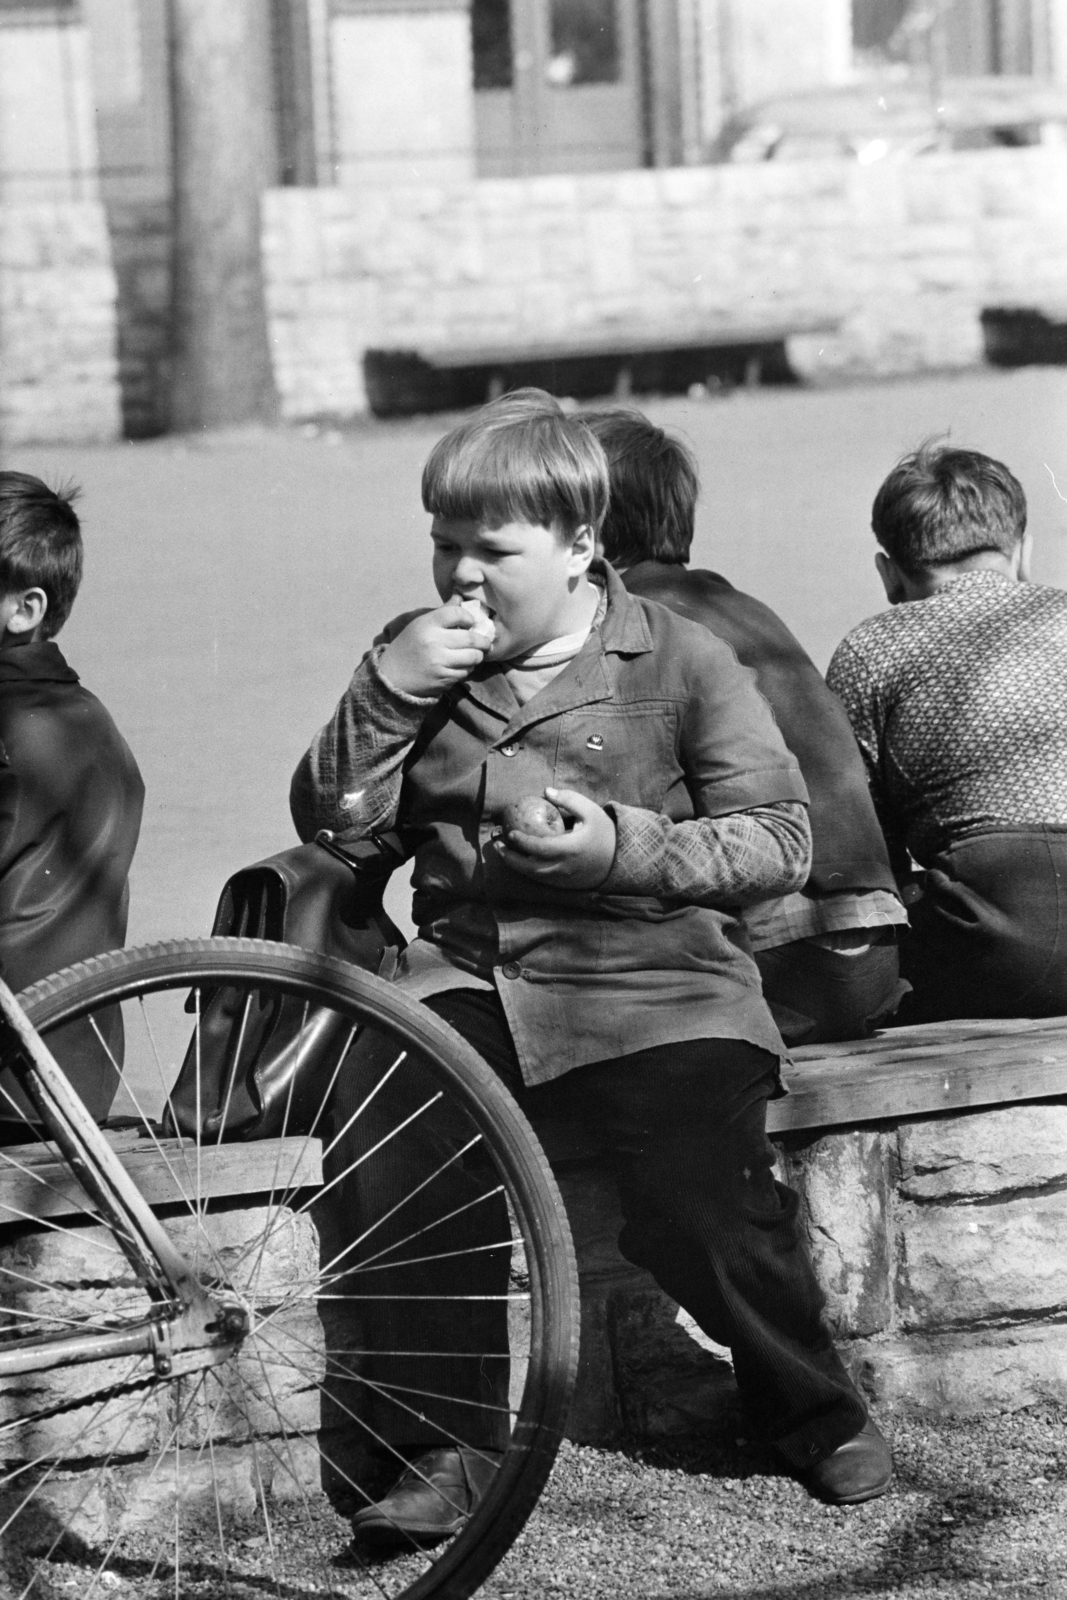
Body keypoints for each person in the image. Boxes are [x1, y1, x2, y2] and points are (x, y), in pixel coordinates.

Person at [291, 389, 891, 1542]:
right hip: (471, 975)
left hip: (657, 979)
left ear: (578, 546)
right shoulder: (415, 660)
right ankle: (443, 1450)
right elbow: (335, 825)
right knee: (401, 1135)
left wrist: (619, 845)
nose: (460, 576)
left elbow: (780, 841)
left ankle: (805, 1404)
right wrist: (384, 694)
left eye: (491, 551)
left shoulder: (685, 657)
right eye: (443, 545)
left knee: (705, 1191)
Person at [584, 409, 907, 1046]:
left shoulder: (636, 629)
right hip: (870, 954)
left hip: (782, 962)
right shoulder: (739, 606)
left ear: (583, 530)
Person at [826, 441, 1067, 1024]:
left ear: (888, 573)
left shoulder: (869, 649)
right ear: (1023, 552)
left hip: (993, 949)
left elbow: (864, 847)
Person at [0, 473, 144, 1130]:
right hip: (75, 1066)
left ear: (23, 609)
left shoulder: (14, 736)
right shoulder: (85, 716)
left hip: (16, 1071)